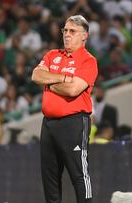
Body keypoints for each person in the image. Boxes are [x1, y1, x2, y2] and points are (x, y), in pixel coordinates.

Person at [31, 15, 98, 203]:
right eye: (65, 31)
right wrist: (64, 78)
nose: (67, 35)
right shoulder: (53, 54)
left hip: (74, 122)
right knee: (50, 177)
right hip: (49, 124)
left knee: (79, 174)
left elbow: (73, 89)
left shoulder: (88, 61)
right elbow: (36, 75)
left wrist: (50, 83)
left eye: (72, 31)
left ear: (84, 36)